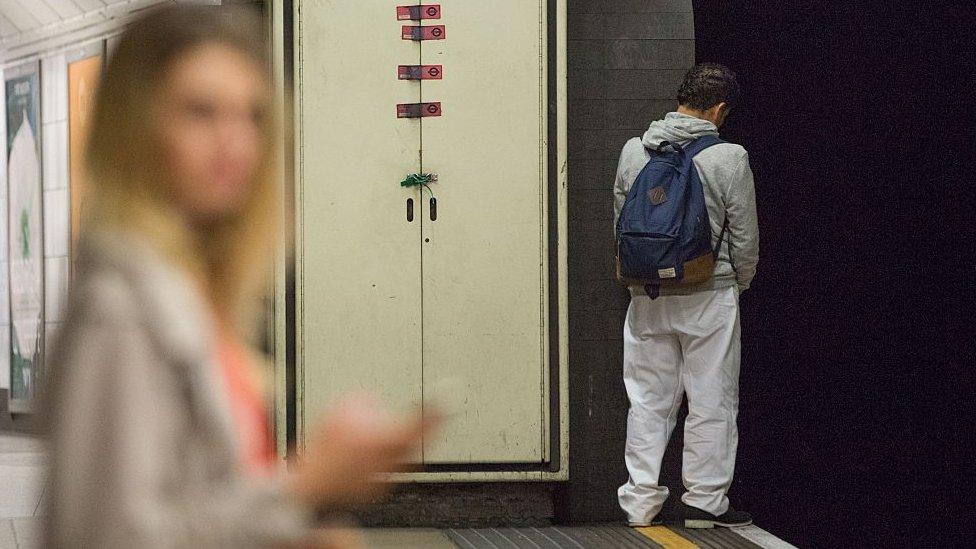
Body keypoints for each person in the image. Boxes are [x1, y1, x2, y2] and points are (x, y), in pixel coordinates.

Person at [42, 6, 431, 548]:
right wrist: (305, 484)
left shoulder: (191, 292)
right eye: (200, 112)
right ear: (134, 127)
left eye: (251, 116)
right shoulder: (120, 313)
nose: (235, 143)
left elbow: (190, 506)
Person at [613, 63, 759, 528]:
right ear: (718, 109)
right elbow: (744, 237)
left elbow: (622, 222)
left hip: (647, 296)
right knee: (712, 399)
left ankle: (639, 502)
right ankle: (703, 502)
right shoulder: (728, 157)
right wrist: (738, 284)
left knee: (648, 400)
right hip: (707, 294)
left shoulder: (635, 150)